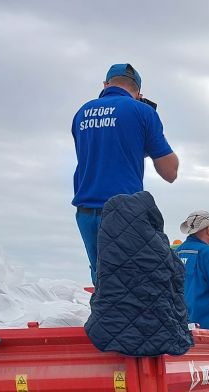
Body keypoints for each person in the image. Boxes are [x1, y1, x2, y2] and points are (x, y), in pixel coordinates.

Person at [72, 63, 179, 284]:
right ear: (138, 92)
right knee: (129, 283)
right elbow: (170, 172)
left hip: (85, 211)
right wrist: (147, 138)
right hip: (123, 211)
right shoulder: (142, 112)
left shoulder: (81, 113)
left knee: (102, 278)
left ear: (105, 85)